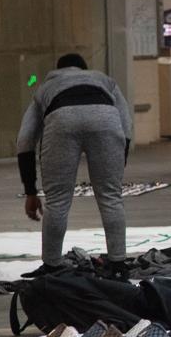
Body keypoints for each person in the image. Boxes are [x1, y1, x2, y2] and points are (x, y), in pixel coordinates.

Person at [15, 53, 133, 279]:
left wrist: (30, 190)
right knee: (111, 196)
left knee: (57, 200)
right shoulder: (104, 80)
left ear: (58, 70)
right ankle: (118, 264)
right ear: (84, 69)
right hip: (105, 117)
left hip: (62, 118)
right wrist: (118, 163)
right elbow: (126, 125)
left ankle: (51, 265)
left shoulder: (45, 88)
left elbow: (25, 140)